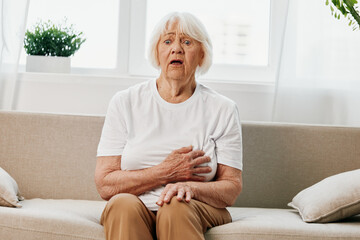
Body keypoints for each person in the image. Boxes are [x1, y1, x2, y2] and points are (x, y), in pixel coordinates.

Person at [95, 11, 243, 240]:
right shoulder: (125, 102)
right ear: (157, 52)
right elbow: (105, 184)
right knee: (122, 204)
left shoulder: (222, 109)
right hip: (135, 206)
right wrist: (163, 173)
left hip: (194, 207)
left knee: (175, 206)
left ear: (202, 55)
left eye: (187, 41)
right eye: (168, 41)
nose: (176, 49)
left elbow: (231, 188)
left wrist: (191, 188)